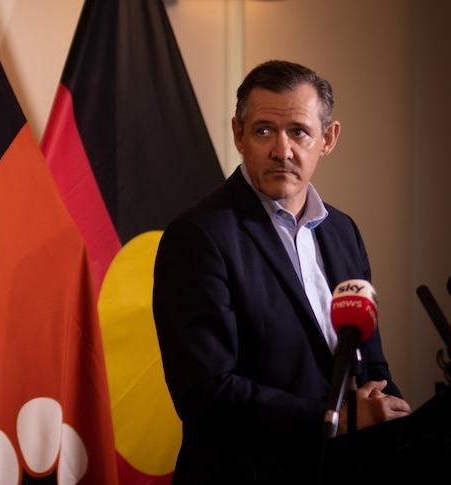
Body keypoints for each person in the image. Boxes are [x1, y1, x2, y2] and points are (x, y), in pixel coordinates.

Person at [152, 60, 412, 484]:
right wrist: (337, 419)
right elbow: (205, 392)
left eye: (299, 132)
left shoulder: (344, 231)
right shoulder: (197, 235)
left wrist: (392, 414)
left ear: (327, 139)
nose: (282, 150)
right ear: (238, 134)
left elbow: (370, 364)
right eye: (264, 131)